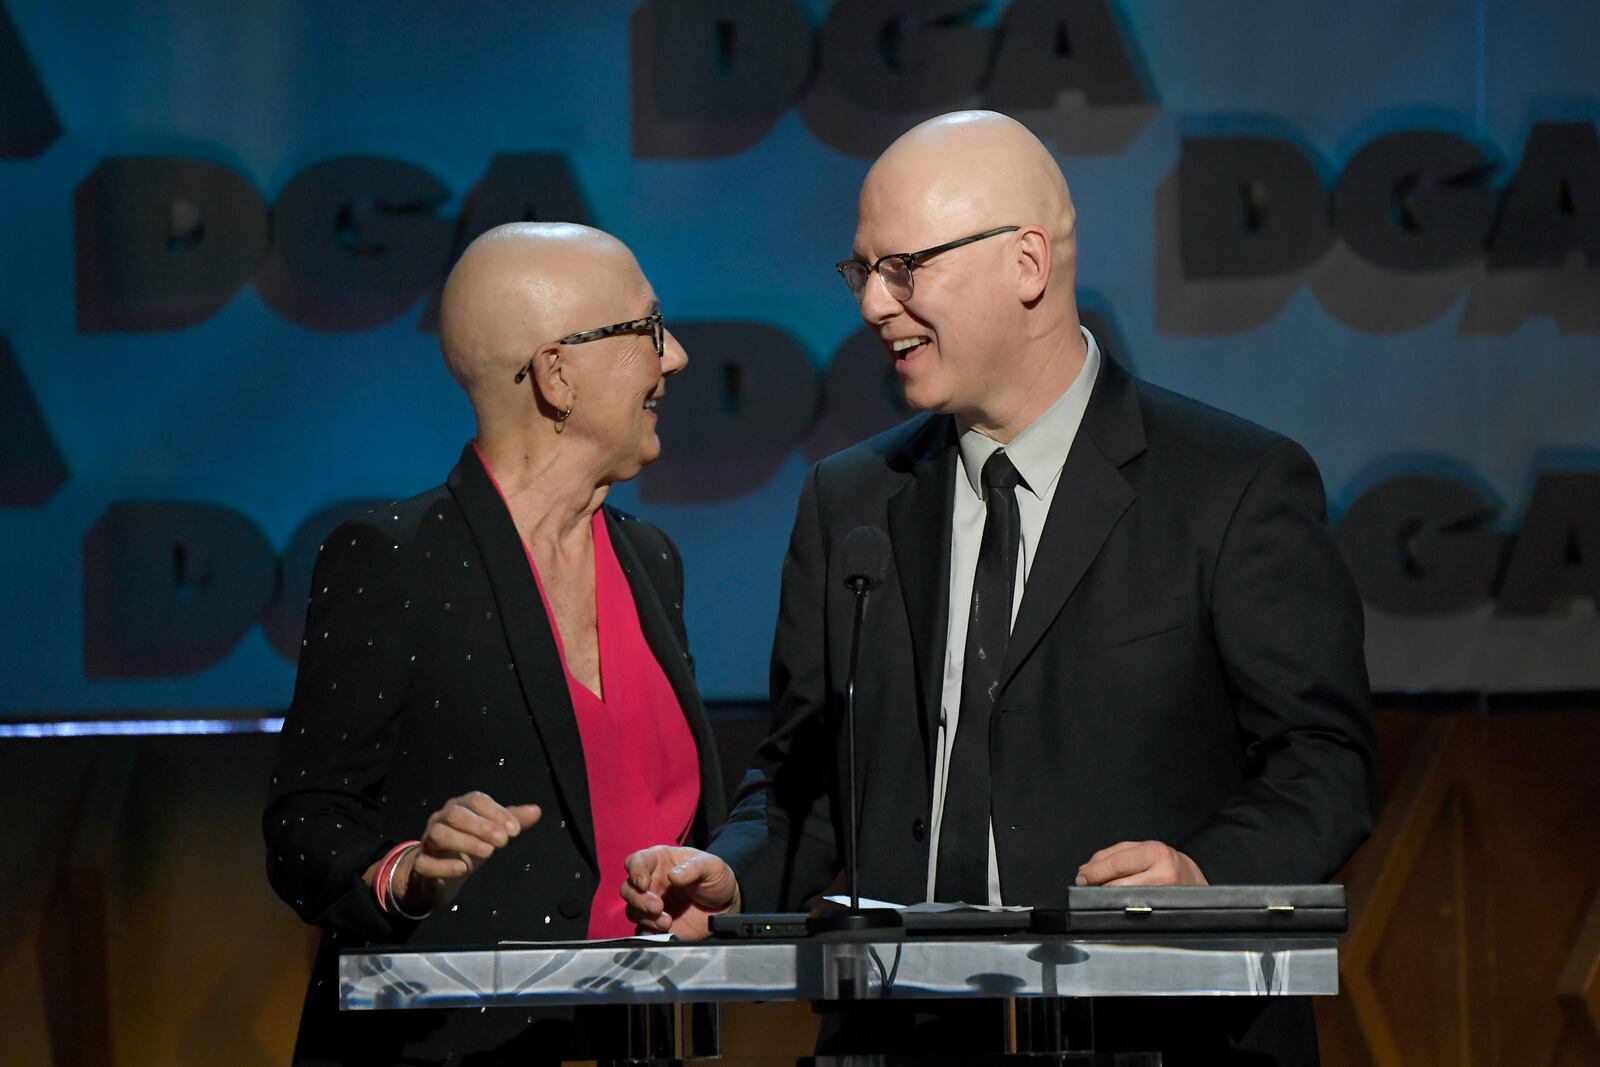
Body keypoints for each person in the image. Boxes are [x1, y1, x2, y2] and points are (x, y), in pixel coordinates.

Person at [621, 112, 1378, 1063]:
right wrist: (733, 875)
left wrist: (1201, 873)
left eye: (904, 269)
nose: (873, 308)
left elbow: (1325, 760)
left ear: (1027, 263)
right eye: (863, 273)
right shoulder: (851, 500)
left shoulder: (1231, 483)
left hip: (1161, 1033)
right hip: (905, 1038)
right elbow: (807, 775)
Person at [264, 222, 725, 1065]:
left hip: (642, 1039)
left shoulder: (650, 560)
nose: (679, 357)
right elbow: (305, 823)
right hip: (457, 1045)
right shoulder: (394, 557)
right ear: (557, 374)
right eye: (649, 330)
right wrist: (409, 871)